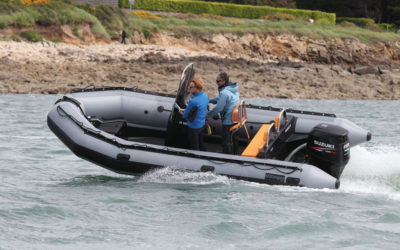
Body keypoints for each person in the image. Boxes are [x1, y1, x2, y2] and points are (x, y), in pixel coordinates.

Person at [208, 72, 240, 154]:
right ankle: (235, 153)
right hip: (236, 118)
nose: (217, 83)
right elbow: (220, 98)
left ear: (224, 81)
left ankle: (226, 156)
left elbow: (219, 107)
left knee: (226, 141)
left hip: (228, 119)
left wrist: (209, 114)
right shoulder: (232, 88)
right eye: (216, 81)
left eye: (218, 81)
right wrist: (211, 100)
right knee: (234, 139)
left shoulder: (224, 92)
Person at [178, 78, 209, 151]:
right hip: (202, 124)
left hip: (193, 127)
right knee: (201, 143)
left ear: (197, 88)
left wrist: (182, 112)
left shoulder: (193, 101)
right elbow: (200, 109)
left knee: (194, 147)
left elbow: (185, 116)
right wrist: (186, 110)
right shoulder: (205, 96)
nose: (189, 89)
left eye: (191, 87)